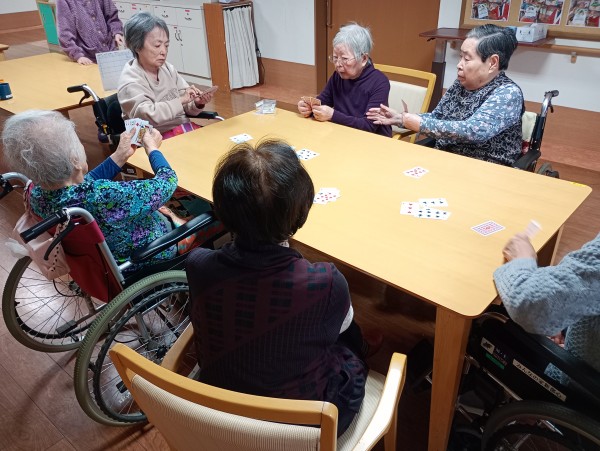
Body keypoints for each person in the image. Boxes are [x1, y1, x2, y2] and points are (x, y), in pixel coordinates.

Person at [186, 139, 372, 436]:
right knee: (351, 344)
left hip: (220, 412)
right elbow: (342, 330)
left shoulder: (198, 264)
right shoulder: (325, 282)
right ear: (300, 212)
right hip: (299, 428)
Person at [1, 110, 182, 265]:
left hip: (97, 262)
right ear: (74, 159)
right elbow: (167, 182)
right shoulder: (104, 195)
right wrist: (152, 148)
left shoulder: (37, 194)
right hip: (145, 254)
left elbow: (81, 187)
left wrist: (120, 155)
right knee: (194, 220)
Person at [367, 24, 524, 166]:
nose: (459, 65)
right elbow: (438, 117)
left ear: (492, 63)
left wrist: (414, 122)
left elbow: (473, 131)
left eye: (467, 58)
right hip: (446, 160)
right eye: (460, 57)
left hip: (485, 168)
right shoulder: (461, 84)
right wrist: (400, 118)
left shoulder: (508, 93)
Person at [494, 232, 600, 381]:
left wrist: (522, 258)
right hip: (588, 350)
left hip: (578, 383)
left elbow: (527, 305)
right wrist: (564, 314)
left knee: (493, 322)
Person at [118, 12, 215, 138]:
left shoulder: (168, 69)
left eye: (166, 45)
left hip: (180, 130)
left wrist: (196, 102)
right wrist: (182, 100)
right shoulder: (130, 80)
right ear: (136, 46)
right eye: (157, 45)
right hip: (151, 139)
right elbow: (147, 116)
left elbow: (186, 105)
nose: (164, 51)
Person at [297, 23, 392, 138]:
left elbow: (368, 126)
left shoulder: (379, 82)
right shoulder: (338, 76)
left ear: (363, 59)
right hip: (343, 135)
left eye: (344, 58)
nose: (338, 64)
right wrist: (309, 107)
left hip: (373, 141)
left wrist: (332, 115)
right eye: (335, 57)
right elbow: (322, 102)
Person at [56, 0, 124, 65]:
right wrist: (77, 55)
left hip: (111, 50)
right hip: (88, 58)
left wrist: (117, 32)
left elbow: (112, 17)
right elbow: (65, 34)